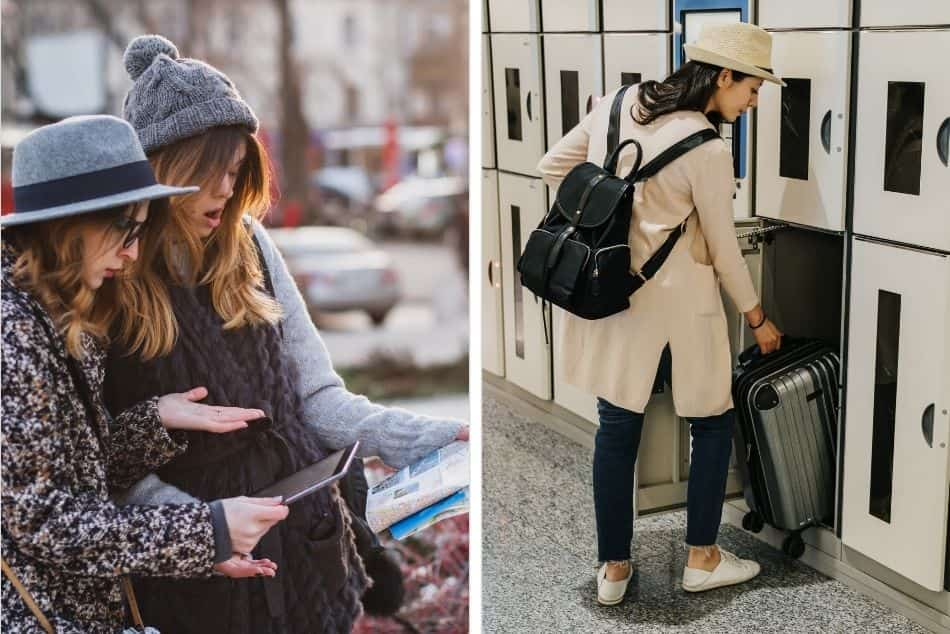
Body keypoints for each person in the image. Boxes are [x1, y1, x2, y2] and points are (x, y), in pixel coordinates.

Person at [101, 35, 468, 633]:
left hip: (307, 552)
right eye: (207, 173)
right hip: (197, 580)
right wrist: (205, 530)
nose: (225, 188)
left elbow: (317, 401)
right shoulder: (112, 274)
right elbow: (106, 464)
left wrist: (416, 436)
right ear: (162, 172)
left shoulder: (250, 246)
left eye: (236, 167)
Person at [1, 115, 290, 632]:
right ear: (69, 224)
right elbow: (42, 519)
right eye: (125, 229)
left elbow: (81, 475)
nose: (134, 252)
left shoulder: (68, 315)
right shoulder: (12, 333)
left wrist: (156, 422)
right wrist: (209, 531)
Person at [537, 22, 785, 606]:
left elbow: (555, 165)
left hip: (613, 292)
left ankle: (614, 571)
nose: (752, 103)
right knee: (712, 420)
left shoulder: (619, 102)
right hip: (683, 305)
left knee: (617, 426)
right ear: (723, 76)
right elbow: (725, 251)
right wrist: (757, 318)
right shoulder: (707, 147)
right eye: (752, 89)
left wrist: (625, 214)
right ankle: (701, 558)